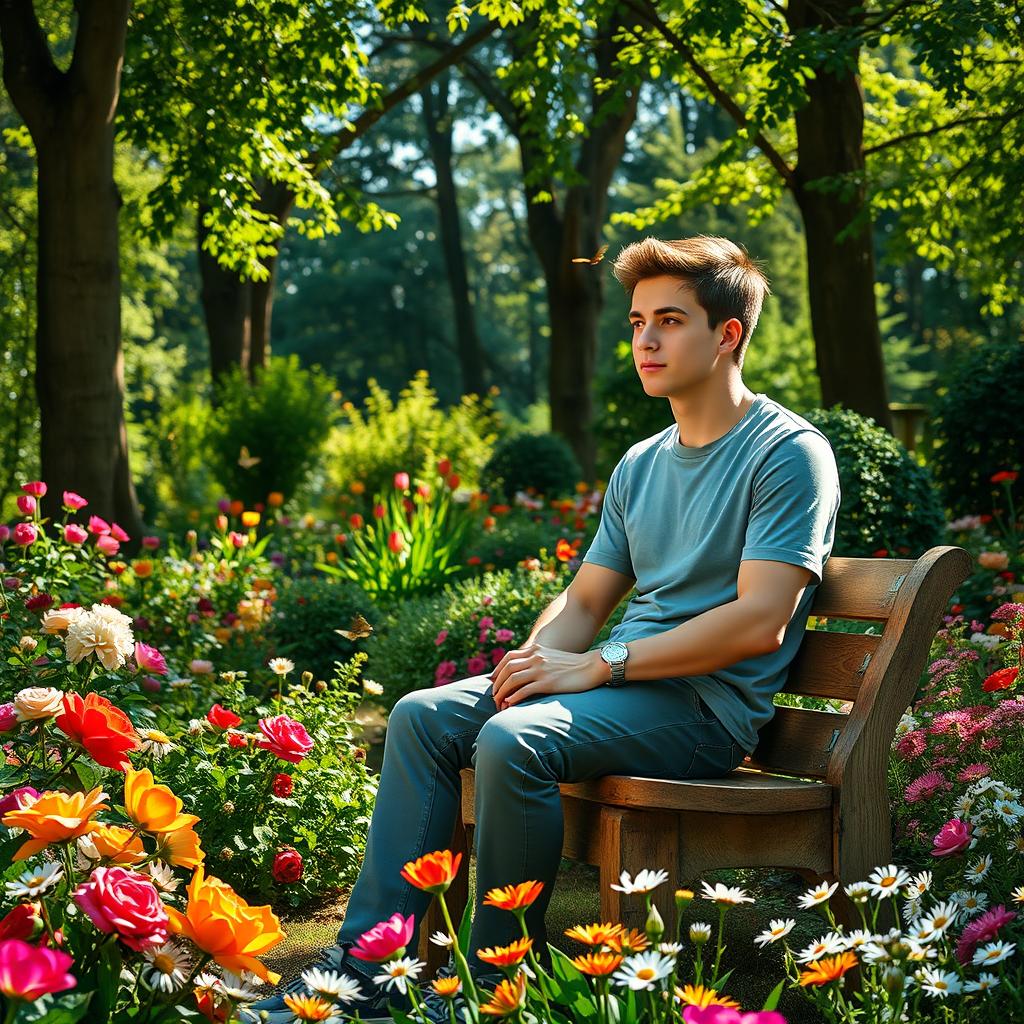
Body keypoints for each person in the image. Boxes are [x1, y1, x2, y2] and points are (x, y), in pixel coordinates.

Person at [245, 235, 841, 1022]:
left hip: (704, 709)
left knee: (514, 740)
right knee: (424, 716)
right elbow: (587, 600)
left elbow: (760, 622)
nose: (646, 341)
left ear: (728, 334)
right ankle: (368, 975)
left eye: (669, 320)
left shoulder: (789, 453)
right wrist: (538, 659)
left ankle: (494, 991)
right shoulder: (642, 463)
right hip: (629, 688)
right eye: (635, 322)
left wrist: (597, 668)